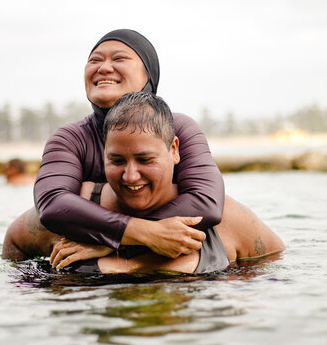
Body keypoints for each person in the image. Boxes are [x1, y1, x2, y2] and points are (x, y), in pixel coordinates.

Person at [2, 29, 225, 260]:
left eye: (118, 59)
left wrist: (116, 243)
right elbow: (52, 204)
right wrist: (137, 234)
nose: (104, 68)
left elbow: (206, 202)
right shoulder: (70, 139)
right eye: (95, 60)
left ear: (149, 75)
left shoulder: (179, 128)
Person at [50, 92, 285, 274]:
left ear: (174, 150)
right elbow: (16, 249)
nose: (130, 176)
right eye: (117, 160)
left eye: (145, 160)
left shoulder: (231, 219)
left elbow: (278, 277)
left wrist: (115, 243)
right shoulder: (78, 208)